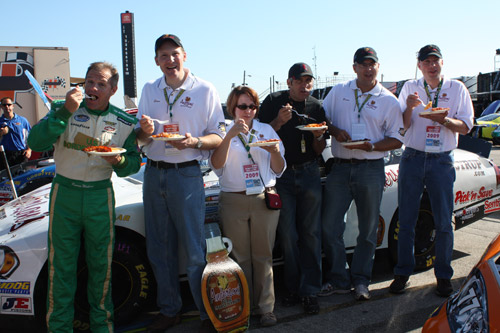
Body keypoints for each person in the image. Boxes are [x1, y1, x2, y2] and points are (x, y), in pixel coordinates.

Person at [27, 62, 142, 332]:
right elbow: (35, 143)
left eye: (101, 84)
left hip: (99, 196)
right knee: (61, 269)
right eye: (89, 81)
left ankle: (103, 327)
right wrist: (64, 112)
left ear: (112, 90)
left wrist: (119, 160)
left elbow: (133, 165)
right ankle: (59, 328)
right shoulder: (63, 109)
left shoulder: (124, 121)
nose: (92, 88)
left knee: (101, 268)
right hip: (64, 193)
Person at [135, 34, 226, 333]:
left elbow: (218, 135)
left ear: (184, 55)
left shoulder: (204, 89)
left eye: (174, 54)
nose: (169, 60)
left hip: (187, 174)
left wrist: (196, 141)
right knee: (159, 249)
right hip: (154, 172)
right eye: (163, 55)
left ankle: (205, 314)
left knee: (194, 250)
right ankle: (169, 310)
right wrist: (146, 131)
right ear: (156, 61)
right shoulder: (149, 89)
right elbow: (142, 138)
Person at [389, 45, 474, 297]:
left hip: (441, 160)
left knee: (444, 219)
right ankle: (402, 273)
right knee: (406, 219)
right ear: (420, 66)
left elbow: (466, 126)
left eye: (435, 60)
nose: (431, 65)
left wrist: (444, 120)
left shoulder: (457, 88)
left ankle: (443, 276)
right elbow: (401, 126)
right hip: (413, 157)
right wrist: (408, 108)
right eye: (426, 61)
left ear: (442, 63)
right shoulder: (409, 88)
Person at [321, 47, 404, 300]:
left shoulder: (389, 100)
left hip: (371, 168)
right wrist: (334, 131)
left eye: (373, 64)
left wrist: (372, 146)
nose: (369, 69)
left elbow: (397, 140)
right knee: (328, 227)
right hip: (340, 166)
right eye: (363, 64)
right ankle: (338, 278)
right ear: (354, 67)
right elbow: (322, 120)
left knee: (368, 230)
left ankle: (360, 281)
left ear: (378, 67)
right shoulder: (339, 92)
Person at [210, 86, 285, 327]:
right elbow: (216, 166)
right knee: (239, 257)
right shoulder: (222, 131)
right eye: (243, 106)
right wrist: (230, 136)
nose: (248, 111)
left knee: (263, 256)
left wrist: (274, 151)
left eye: (252, 106)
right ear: (232, 107)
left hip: (262, 198)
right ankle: (244, 307)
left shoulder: (266, 130)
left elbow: (278, 168)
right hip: (233, 199)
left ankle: (265, 308)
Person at [259, 62, 326, 314]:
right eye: (299, 81)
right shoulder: (273, 102)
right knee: (287, 235)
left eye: (308, 81)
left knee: (311, 233)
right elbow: (260, 136)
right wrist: (278, 120)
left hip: (309, 171)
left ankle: (310, 290)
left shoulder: (317, 107)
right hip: (282, 175)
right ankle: (292, 288)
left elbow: (319, 150)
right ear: (289, 82)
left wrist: (318, 136)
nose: (304, 85)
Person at [0, 97, 31, 169]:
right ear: (1, 107)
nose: (7, 107)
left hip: (21, 154)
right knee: (6, 178)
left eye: (9, 104)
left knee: (23, 178)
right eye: (4, 105)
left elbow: (30, 136)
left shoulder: (23, 120)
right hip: (5, 155)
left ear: (13, 106)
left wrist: (29, 150)